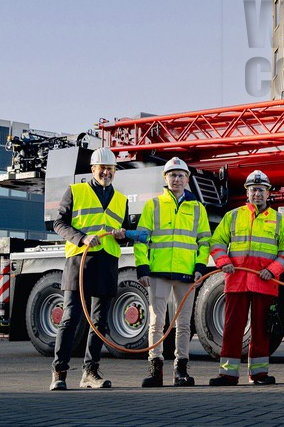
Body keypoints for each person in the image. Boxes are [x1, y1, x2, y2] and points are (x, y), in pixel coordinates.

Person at [50, 146, 131, 391]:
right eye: (103, 168)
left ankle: (90, 372)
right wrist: (82, 238)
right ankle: (59, 372)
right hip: (80, 262)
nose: (107, 172)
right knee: (70, 319)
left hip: (107, 263)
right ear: (93, 169)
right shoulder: (76, 191)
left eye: (111, 169)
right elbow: (59, 223)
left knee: (99, 323)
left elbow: (124, 233)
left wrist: (121, 235)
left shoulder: (121, 200)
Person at [207, 169, 284, 386]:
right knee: (232, 329)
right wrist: (224, 262)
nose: (257, 194)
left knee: (261, 331)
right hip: (237, 282)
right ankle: (228, 374)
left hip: (264, 283)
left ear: (268, 193)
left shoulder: (278, 220)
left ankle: (259, 375)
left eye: (261, 190)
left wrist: (273, 270)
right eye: (253, 189)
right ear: (247, 192)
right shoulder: (233, 216)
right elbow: (216, 242)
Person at [135, 157, 212, 387]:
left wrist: (200, 267)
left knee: (184, 324)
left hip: (186, 274)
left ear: (187, 179)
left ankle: (181, 370)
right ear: (165, 179)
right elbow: (141, 240)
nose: (176, 179)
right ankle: (155, 368)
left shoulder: (198, 208)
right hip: (158, 272)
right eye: (172, 175)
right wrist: (143, 267)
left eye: (181, 175)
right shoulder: (153, 205)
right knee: (157, 322)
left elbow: (204, 242)